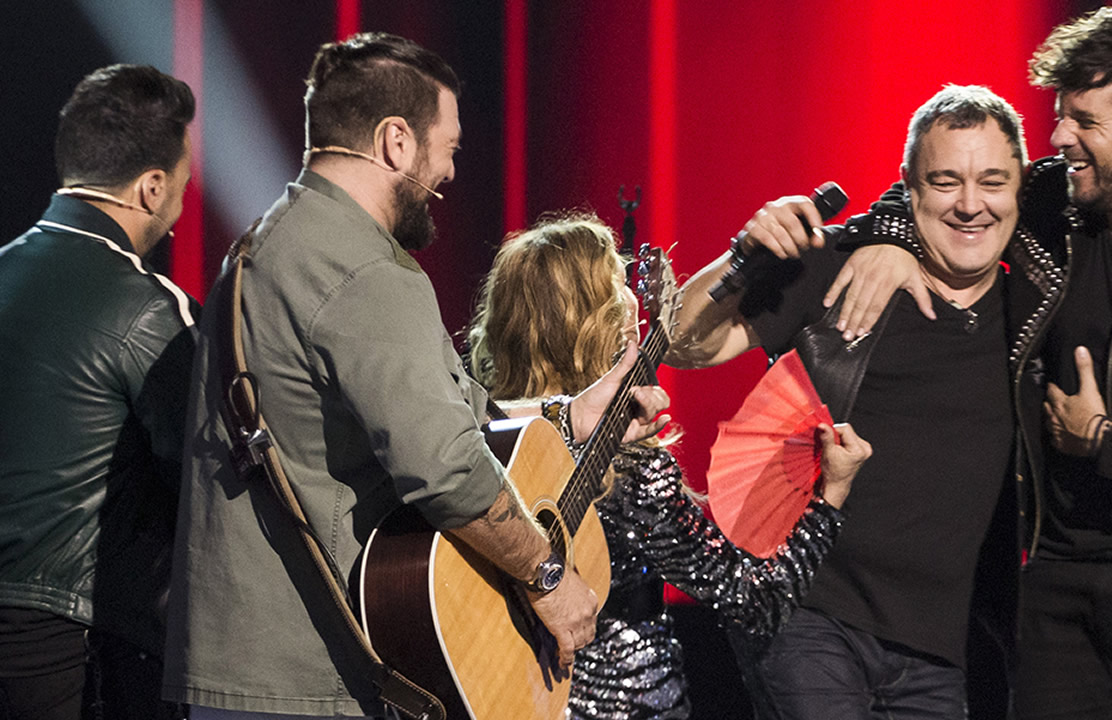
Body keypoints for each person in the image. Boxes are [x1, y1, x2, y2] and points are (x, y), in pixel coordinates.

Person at [162, 33, 667, 719]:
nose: (451, 173)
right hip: (312, 676)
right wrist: (548, 577)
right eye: (448, 148)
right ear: (397, 142)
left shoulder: (258, 251)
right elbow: (449, 469)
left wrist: (572, 416)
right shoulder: (367, 271)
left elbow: (435, 413)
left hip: (236, 667)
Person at [825, 7, 1112, 719]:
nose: (1060, 137)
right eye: (1060, 116)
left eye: (1084, 121)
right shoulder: (1049, 202)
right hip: (1052, 582)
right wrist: (885, 241)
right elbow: (933, 194)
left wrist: (1106, 439)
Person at [667, 85, 1028, 719]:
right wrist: (742, 258)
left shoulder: (1032, 313)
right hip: (809, 613)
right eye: (945, 182)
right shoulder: (838, 266)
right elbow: (681, 344)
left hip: (940, 649)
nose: (971, 205)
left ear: (1020, 188)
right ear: (909, 190)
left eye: (991, 181)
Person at [466, 211, 871, 719]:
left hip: (497, 695)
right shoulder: (629, 473)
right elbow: (756, 601)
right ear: (598, 316)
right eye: (619, 282)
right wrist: (830, 497)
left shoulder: (478, 444)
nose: (633, 298)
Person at [0, 64, 197, 720]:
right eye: (183, 185)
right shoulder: (151, 310)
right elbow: (202, 484)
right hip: (64, 648)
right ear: (151, 187)